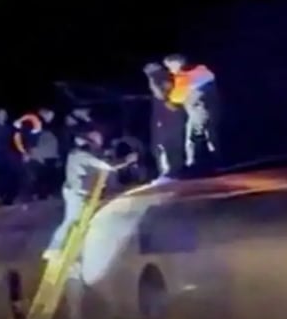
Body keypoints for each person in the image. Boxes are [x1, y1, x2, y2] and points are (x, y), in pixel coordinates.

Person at [45, 129, 137, 261]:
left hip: (83, 193)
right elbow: (106, 166)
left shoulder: (84, 155)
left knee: (84, 222)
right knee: (71, 219)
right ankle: (53, 249)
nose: (99, 146)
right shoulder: (81, 156)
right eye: (96, 142)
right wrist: (126, 161)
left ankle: (77, 250)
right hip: (75, 193)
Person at [163, 53, 219, 170]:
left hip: (199, 111)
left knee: (194, 138)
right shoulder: (201, 70)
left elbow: (177, 97)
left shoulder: (185, 76)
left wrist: (169, 98)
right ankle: (215, 159)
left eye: (170, 67)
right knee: (209, 135)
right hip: (207, 110)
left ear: (177, 63)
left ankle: (193, 164)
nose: (170, 71)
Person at [143, 62, 186, 179]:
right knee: (165, 146)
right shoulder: (166, 78)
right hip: (167, 118)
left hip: (169, 118)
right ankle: (171, 172)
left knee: (167, 146)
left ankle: (171, 173)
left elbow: (162, 96)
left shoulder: (160, 79)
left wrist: (153, 82)